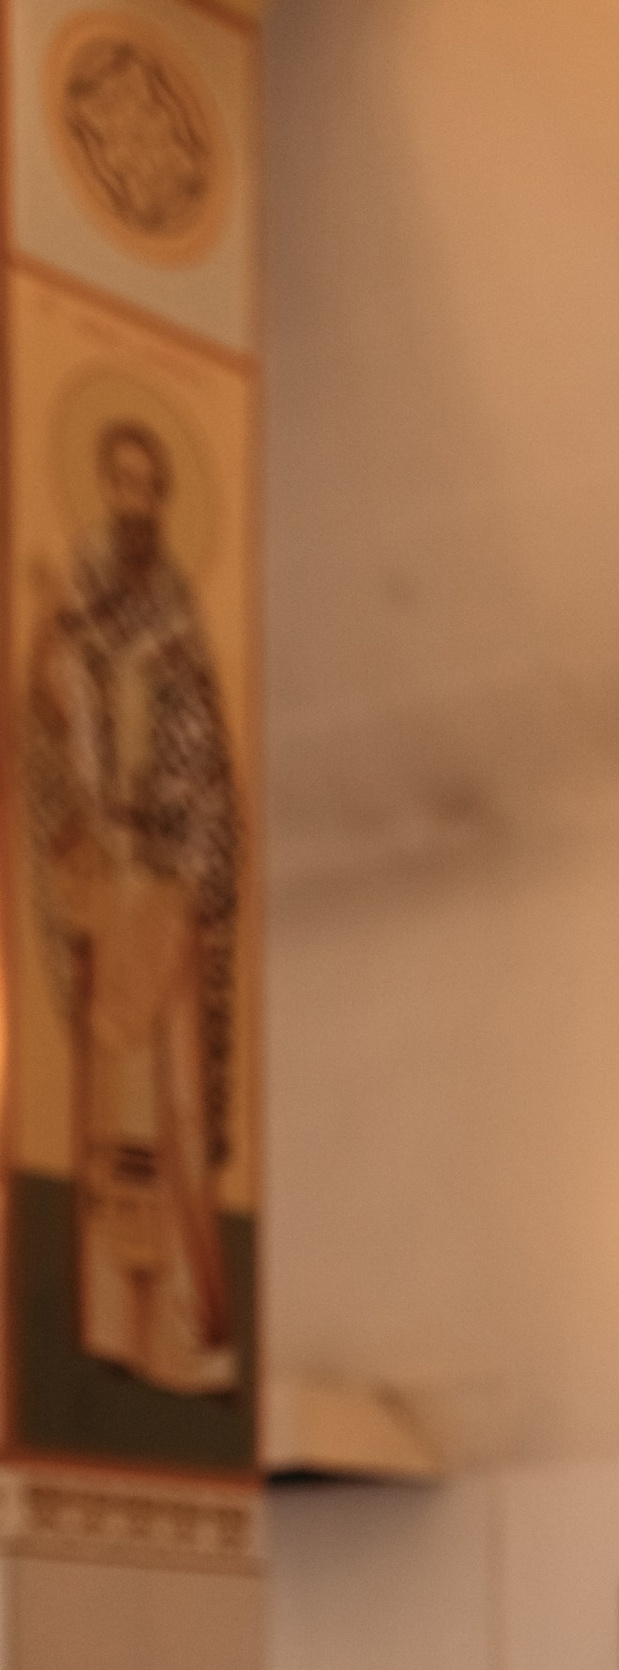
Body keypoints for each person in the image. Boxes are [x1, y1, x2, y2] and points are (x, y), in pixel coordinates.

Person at [23, 415, 241, 1394]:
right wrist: (53, 641)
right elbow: (49, 722)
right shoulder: (79, 613)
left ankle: (184, 1328)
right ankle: (114, 1328)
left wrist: (179, 844)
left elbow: (207, 761)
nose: (133, 501)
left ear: (165, 499)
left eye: (148, 486)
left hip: (168, 891)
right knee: (108, 1128)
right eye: (118, 483)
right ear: (104, 493)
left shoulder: (181, 623)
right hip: (109, 900)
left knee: (176, 1113)